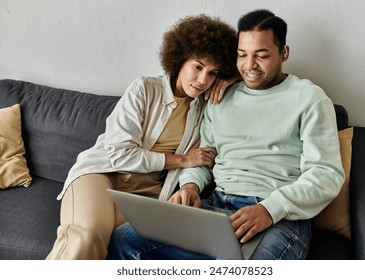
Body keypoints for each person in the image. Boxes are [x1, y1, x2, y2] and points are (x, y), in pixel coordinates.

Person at [107, 9, 345, 260]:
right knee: (124, 239)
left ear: (284, 53)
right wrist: (190, 186)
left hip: (279, 215)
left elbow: (326, 174)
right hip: (217, 205)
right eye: (242, 55)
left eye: (261, 55)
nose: (249, 65)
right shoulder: (219, 96)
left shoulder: (310, 99)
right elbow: (205, 158)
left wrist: (269, 209)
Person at [45, 14, 238, 260]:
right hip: (102, 173)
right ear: (180, 59)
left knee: (117, 241)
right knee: (88, 234)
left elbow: (254, 75)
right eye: (198, 67)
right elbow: (119, 152)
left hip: (148, 194)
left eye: (213, 73)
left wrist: (233, 78)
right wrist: (181, 160)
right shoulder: (145, 88)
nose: (203, 80)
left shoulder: (207, 109)